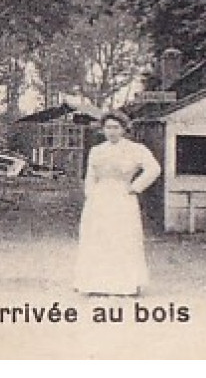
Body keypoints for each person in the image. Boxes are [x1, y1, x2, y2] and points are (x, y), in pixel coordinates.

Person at [74, 110, 161, 296]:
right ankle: (94, 283)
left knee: (122, 238)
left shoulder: (136, 149)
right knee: (98, 238)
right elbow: (90, 176)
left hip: (122, 198)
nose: (111, 131)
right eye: (107, 127)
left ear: (123, 129)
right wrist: (90, 194)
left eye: (115, 127)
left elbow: (154, 168)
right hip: (99, 199)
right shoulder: (96, 151)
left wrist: (136, 187)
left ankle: (125, 283)